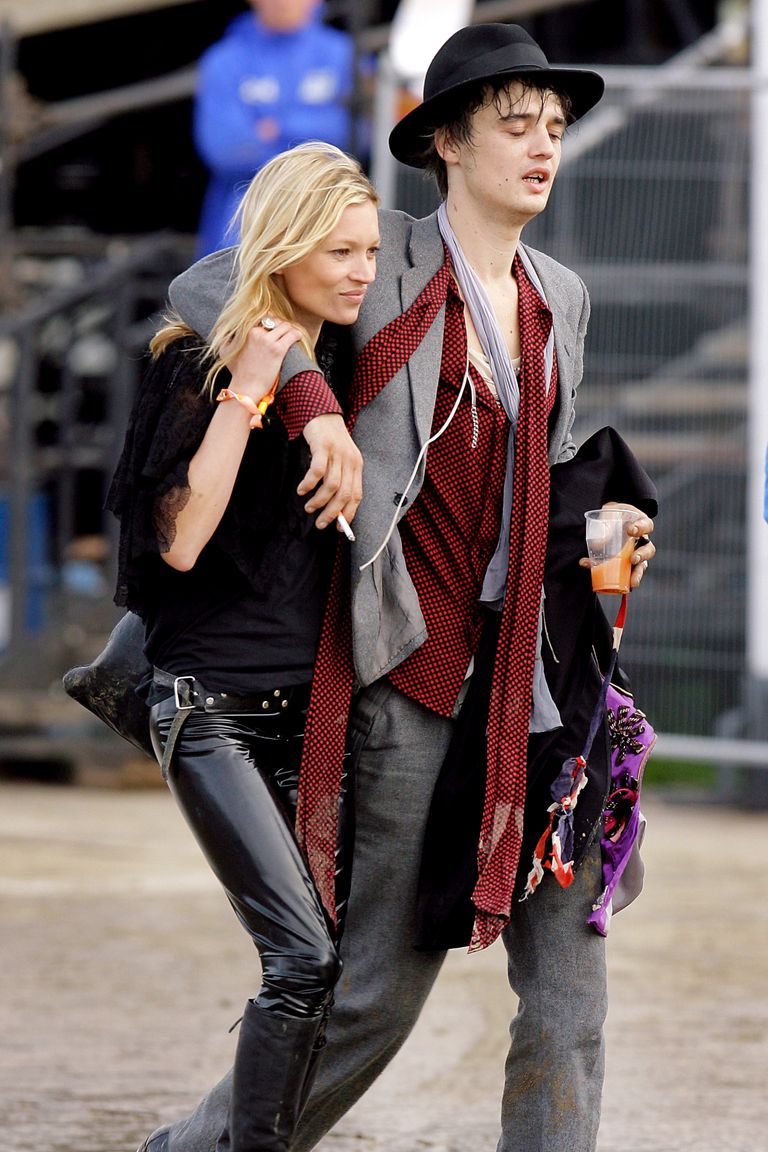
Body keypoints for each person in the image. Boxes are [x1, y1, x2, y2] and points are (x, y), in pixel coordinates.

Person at [137, 23, 657, 1152]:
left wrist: (606, 523)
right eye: (515, 125)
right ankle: (203, 1150)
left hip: (541, 680)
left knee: (573, 990)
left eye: (556, 129)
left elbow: (551, 475)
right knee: (377, 990)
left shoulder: (560, 295)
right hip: (405, 670)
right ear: (446, 145)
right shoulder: (381, 256)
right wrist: (314, 404)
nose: (543, 147)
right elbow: (208, 281)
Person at [106, 142, 378, 1152]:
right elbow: (177, 538)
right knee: (301, 961)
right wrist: (252, 388)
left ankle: (189, 1148)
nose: (360, 270)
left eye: (368, 252)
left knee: (333, 966)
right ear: (288, 245)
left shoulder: (349, 360)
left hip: (307, 716)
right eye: (340, 251)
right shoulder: (199, 358)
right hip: (208, 707)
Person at [194, 0, 354, 257]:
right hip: (243, 230)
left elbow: (354, 133)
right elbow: (224, 148)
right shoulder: (223, 61)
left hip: (329, 214)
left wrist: (279, 127)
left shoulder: (343, 53)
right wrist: (315, 137)